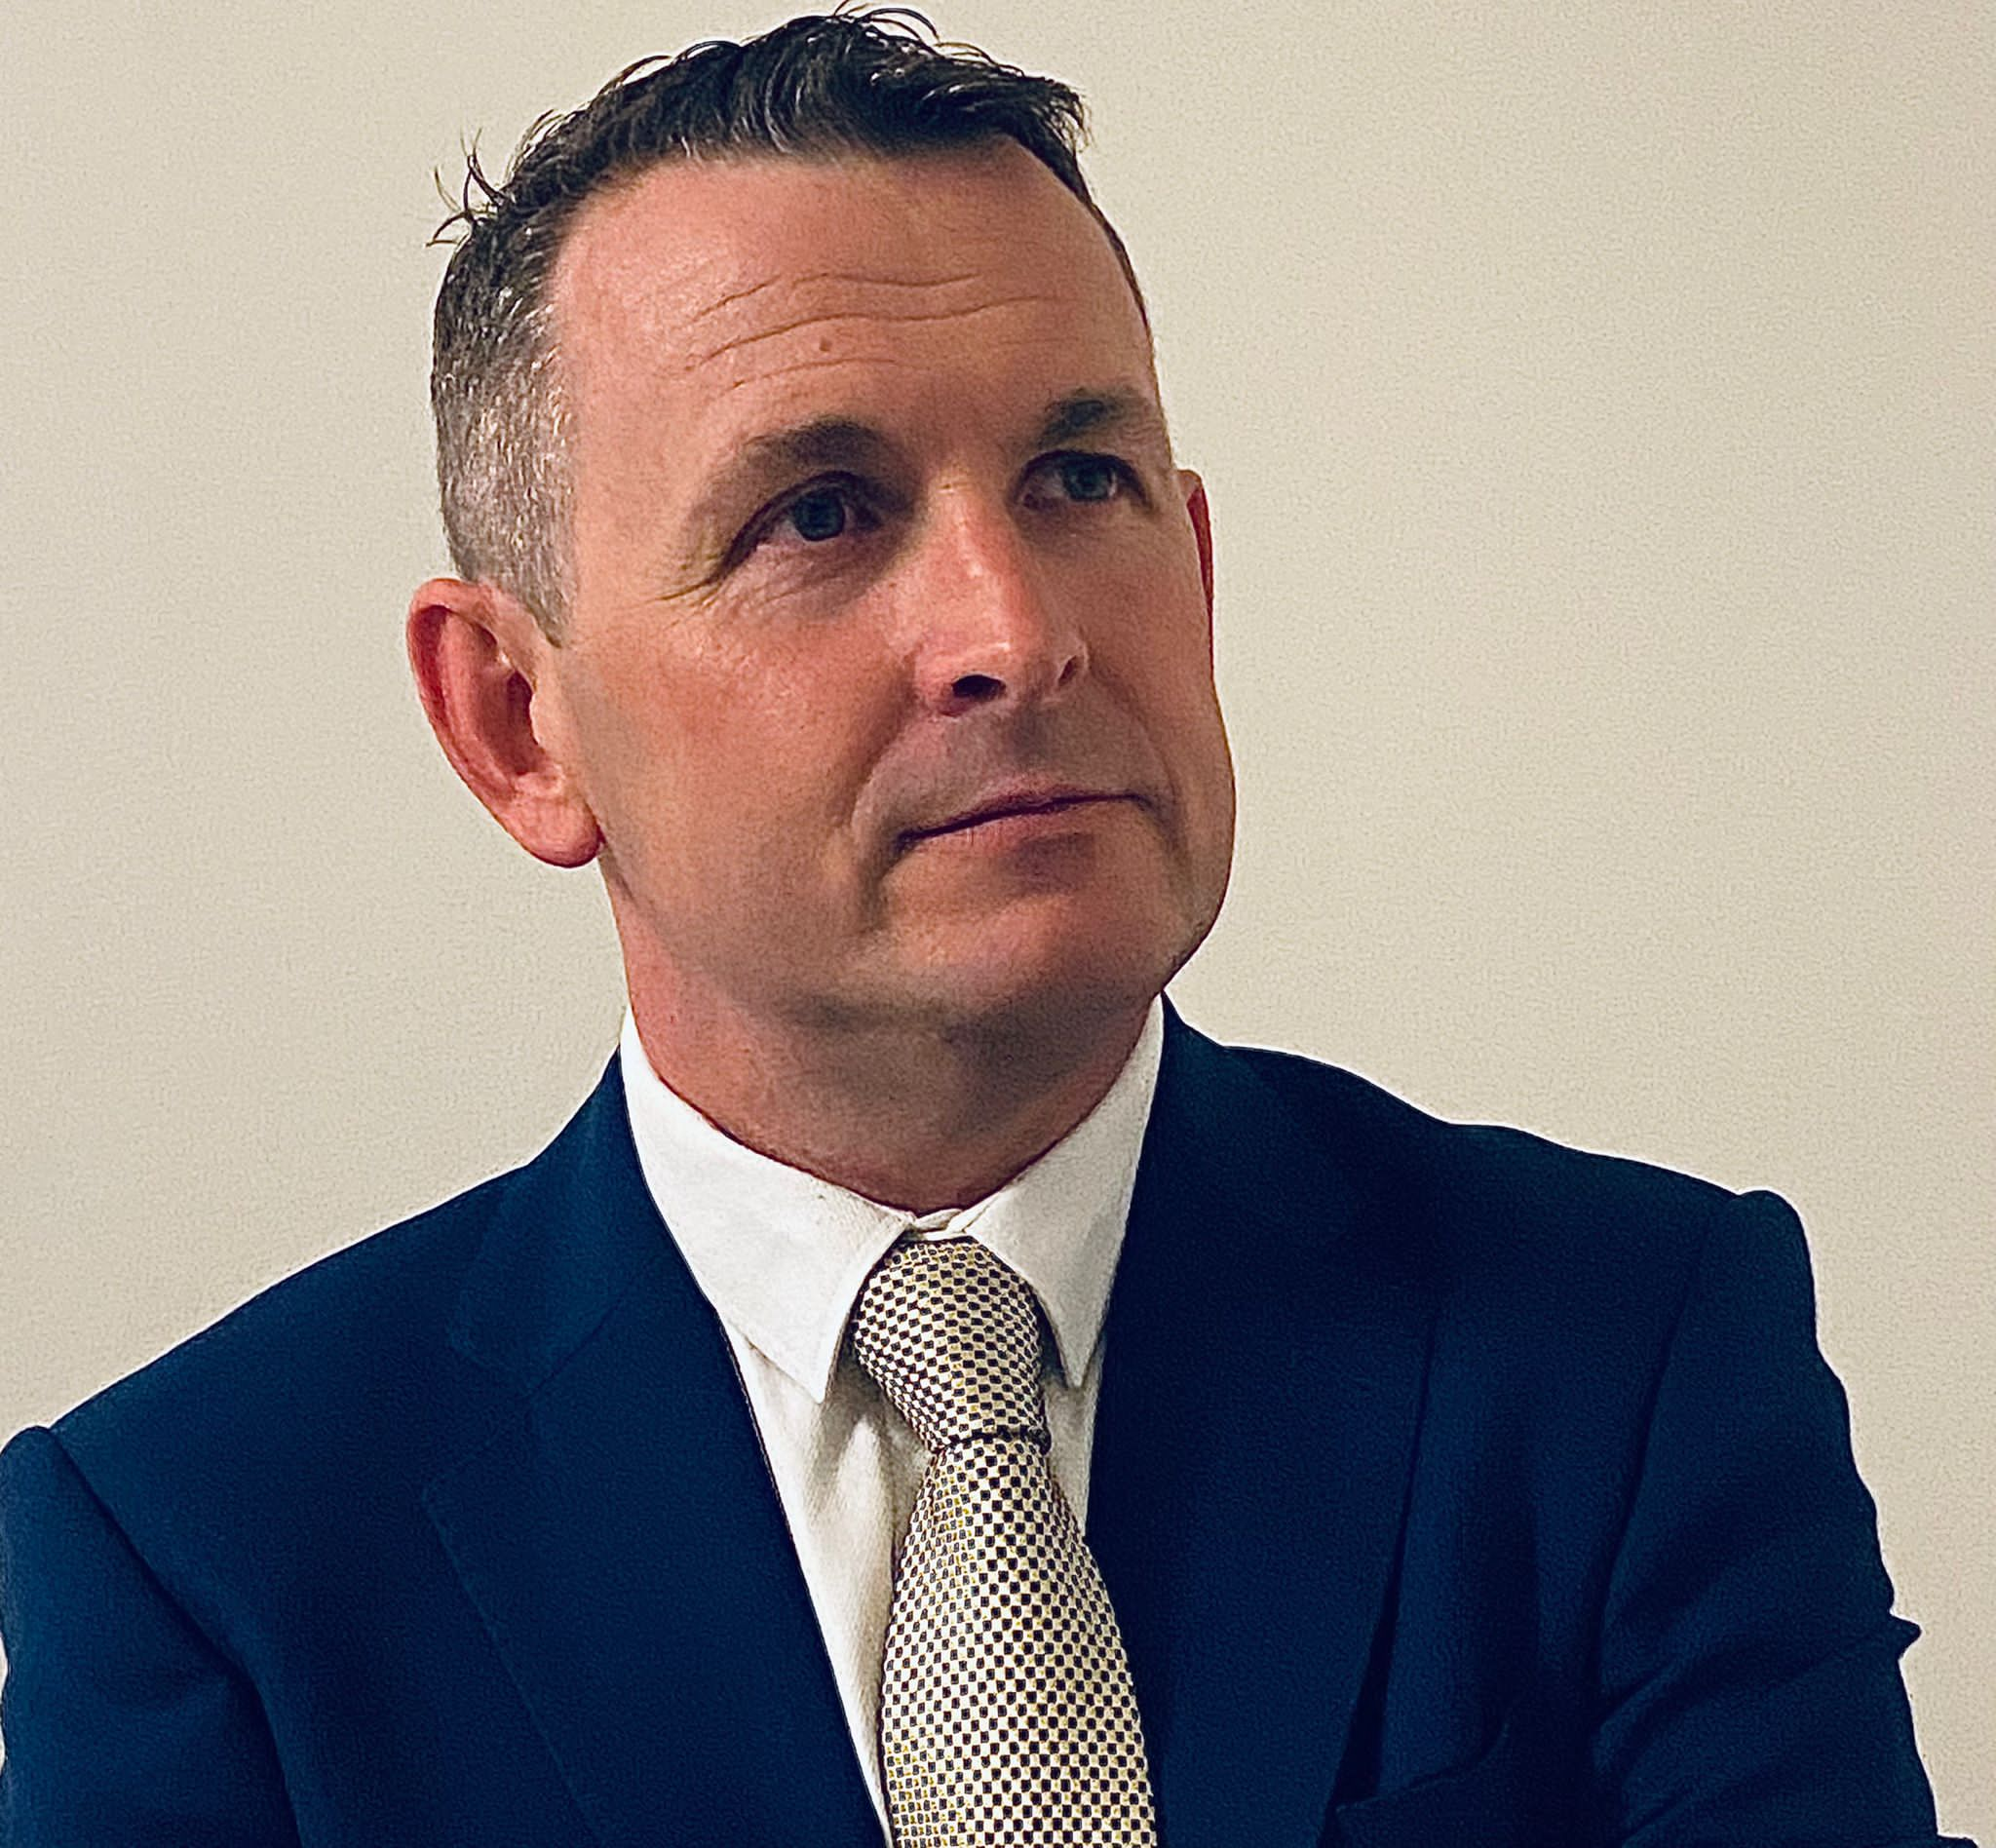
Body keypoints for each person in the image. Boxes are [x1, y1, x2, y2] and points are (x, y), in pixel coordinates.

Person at [0, 13, 1968, 1845]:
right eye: (821, 515)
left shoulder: (1620, 1356)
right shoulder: (207, 1557)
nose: (1018, 630)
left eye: (1075, 478)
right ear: (520, 721)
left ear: (1191, 565)